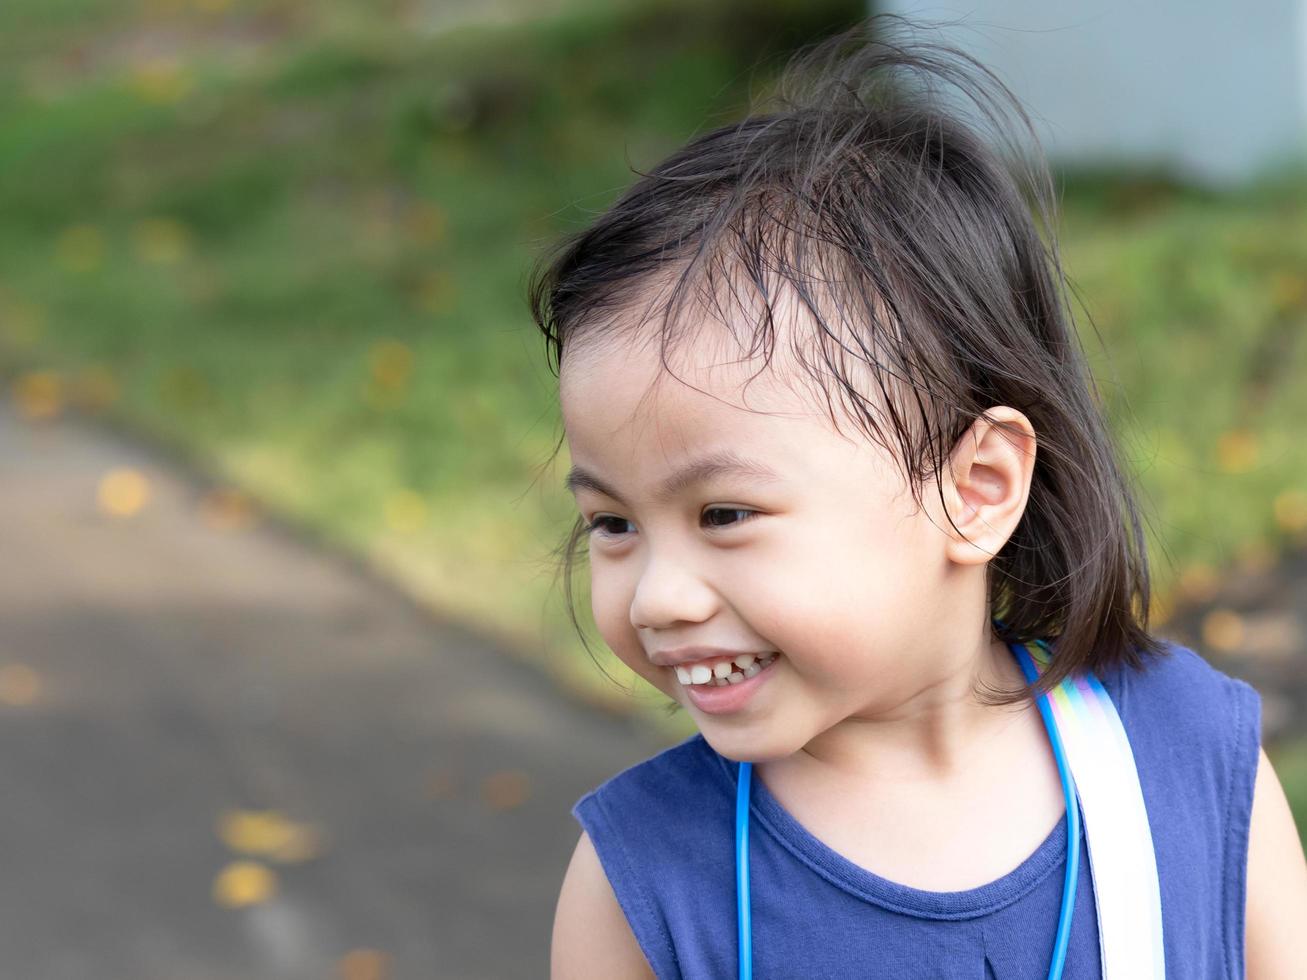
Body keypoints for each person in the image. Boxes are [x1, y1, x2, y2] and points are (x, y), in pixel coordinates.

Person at [528, 16, 1307, 979]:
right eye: (612, 523)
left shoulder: (1187, 762)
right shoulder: (642, 881)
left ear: (975, 489)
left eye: (722, 514)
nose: (656, 598)